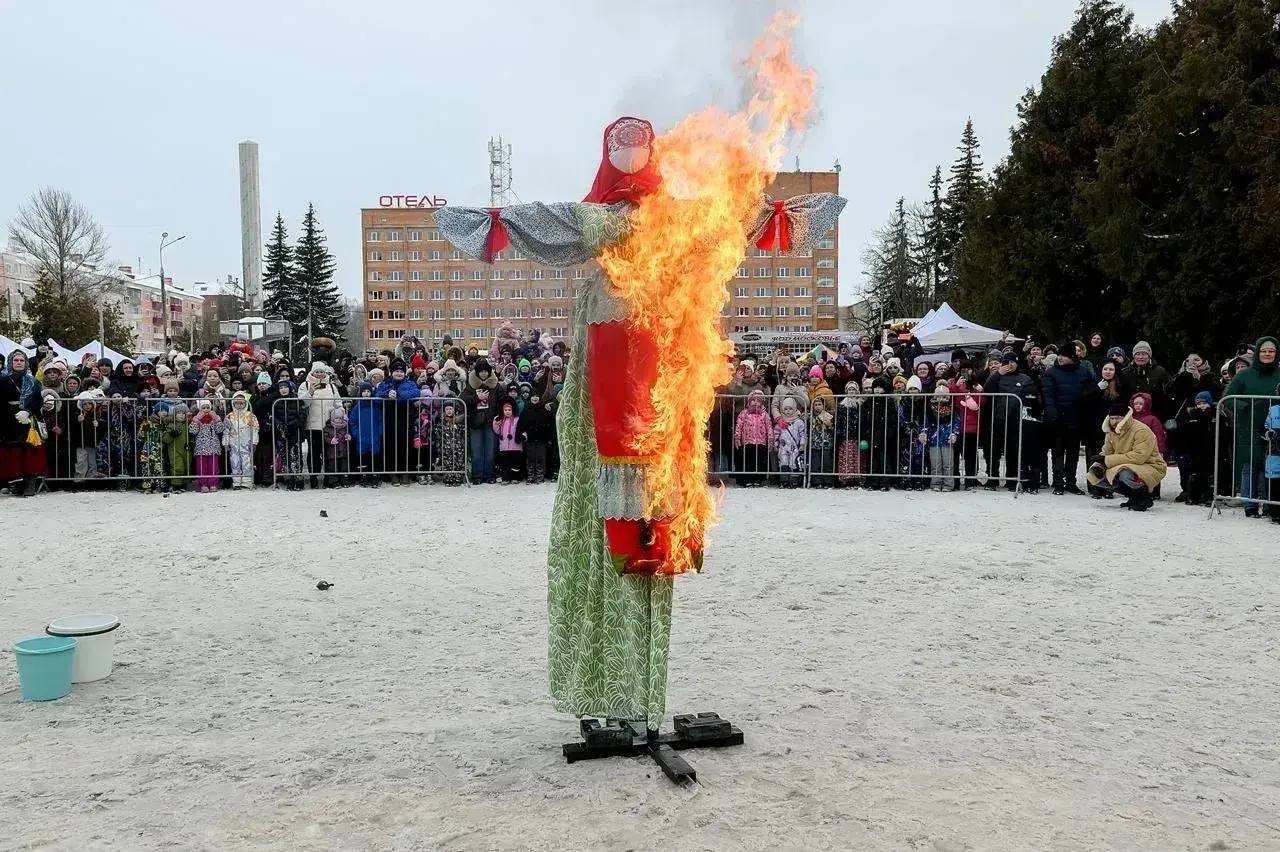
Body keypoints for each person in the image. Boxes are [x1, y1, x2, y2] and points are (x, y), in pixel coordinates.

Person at [1224, 336, 1278, 517]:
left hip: (1275, 428)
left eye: (1271, 351)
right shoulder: (1244, 375)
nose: (1267, 354)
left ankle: (1272, 505)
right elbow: (1228, 398)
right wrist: (1244, 407)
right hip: (1250, 425)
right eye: (1263, 351)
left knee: (1272, 466)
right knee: (1250, 466)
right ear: (1257, 353)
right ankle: (1250, 505)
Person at [1087, 403, 1168, 511]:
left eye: (1118, 418)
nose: (1115, 421)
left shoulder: (1140, 430)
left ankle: (1143, 497)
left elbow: (1139, 457)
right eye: (1112, 418)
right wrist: (1099, 465)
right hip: (1125, 464)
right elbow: (1107, 452)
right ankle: (1133, 496)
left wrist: (1106, 460)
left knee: (1124, 473)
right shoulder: (1111, 432)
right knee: (1094, 476)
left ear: (1125, 417)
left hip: (1150, 465)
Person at [982, 353, 1035, 491]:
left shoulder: (1025, 378)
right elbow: (987, 390)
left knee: (1013, 451)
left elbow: (1032, 396)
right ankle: (992, 479)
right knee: (994, 451)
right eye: (1006, 362)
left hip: (1017, 420)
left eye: (1012, 362)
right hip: (999, 418)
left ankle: (1012, 479)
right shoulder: (997, 377)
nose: (1009, 365)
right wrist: (997, 374)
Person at [1041, 343, 1088, 494]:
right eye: (1059, 355)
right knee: (1058, 452)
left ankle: (1071, 481)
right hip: (1058, 418)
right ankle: (1058, 482)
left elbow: (1088, 391)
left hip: (1076, 417)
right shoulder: (1051, 373)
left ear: (1072, 357)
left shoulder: (1083, 371)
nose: (1060, 357)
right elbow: (1048, 396)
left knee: (1073, 453)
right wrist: (1053, 415)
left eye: (1064, 355)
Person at [1175, 391, 1217, 506]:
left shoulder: (1215, 415)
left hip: (1212, 449)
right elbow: (1186, 433)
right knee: (1195, 473)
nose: (1201, 406)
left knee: (1210, 474)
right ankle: (1194, 495)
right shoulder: (1192, 416)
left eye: (1204, 403)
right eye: (1199, 404)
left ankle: (1208, 495)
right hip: (1196, 449)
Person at [463, 359, 499, 484]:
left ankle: (489, 475)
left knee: (490, 450)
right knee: (476, 450)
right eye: (481, 371)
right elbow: (462, 400)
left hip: (490, 421)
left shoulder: (495, 385)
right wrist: (476, 398)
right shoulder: (471, 385)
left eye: (486, 371)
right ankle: (477, 475)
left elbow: (502, 400)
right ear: (477, 373)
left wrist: (498, 416)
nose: (483, 373)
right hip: (475, 421)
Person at [733, 388, 772, 487]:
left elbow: (769, 427)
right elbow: (739, 426)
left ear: (762, 403)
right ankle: (747, 479)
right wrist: (737, 437)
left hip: (760, 442)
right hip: (747, 441)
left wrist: (770, 439)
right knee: (748, 461)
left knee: (759, 461)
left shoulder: (765, 414)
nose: (755, 403)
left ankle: (758, 479)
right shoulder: (744, 413)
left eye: (758, 401)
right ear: (749, 402)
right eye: (753, 400)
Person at [271, 379, 306, 491]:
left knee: (295, 455)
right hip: (283, 433)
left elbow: (302, 416)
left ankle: (298, 478)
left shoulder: (297, 400)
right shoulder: (276, 402)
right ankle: (290, 478)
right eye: (281, 388)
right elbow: (274, 416)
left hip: (295, 432)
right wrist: (280, 425)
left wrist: (291, 424)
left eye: (285, 387)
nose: (283, 390)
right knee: (286, 456)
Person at [349, 382, 384, 486]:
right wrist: (356, 433)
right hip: (361, 437)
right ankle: (364, 476)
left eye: (368, 391)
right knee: (363, 457)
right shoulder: (357, 407)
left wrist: (379, 433)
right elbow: (352, 422)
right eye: (364, 391)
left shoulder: (375, 406)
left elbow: (380, 421)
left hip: (374, 436)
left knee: (374, 457)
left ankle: (374, 475)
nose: (366, 393)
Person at [1124, 342, 1172, 417]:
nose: (1140, 357)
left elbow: (1168, 391)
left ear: (1149, 356)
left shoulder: (1160, 371)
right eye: (1137, 354)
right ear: (1133, 356)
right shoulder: (1126, 372)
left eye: (1144, 354)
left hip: (1155, 413)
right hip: (1130, 414)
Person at [223, 391, 258, 489]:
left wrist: (254, 441)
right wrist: (226, 443)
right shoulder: (229, 416)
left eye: (241, 403)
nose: (239, 405)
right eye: (236, 403)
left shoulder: (250, 416)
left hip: (246, 443)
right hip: (234, 443)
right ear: (233, 403)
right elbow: (226, 431)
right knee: (235, 462)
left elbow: (255, 429)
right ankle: (236, 481)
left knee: (247, 462)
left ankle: (247, 481)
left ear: (246, 403)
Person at [189, 399, 224, 493]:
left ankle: (213, 483)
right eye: (203, 408)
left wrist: (217, 419)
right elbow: (192, 431)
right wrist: (196, 420)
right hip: (201, 446)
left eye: (208, 407)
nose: (206, 410)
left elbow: (220, 430)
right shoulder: (197, 419)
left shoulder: (214, 419)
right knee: (202, 466)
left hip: (213, 446)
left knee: (213, 466)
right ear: (200, 409)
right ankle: (203, 484)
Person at [519, 394, 554, 485]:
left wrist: (549, 438)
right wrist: (522, 434)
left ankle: (540, 476)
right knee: (530, 457)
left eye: (536, 396)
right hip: (530, 438)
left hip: (541, 438)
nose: (535, 398)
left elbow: (549, 425)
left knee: (540, 457)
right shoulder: (526, 410)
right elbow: (521, 424)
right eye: (533, 396)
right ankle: (530, 476)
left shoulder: (544, 409)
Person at [775, 395, 807, 488]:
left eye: (790, 409)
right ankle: (784, 481)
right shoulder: (781, 422)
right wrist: (776, 443)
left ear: (794, 409)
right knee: (783, 462)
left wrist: (802, 443)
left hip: (795, 447)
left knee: (793, 463)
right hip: (783, 447)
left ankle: (793, 481)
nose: (788, 411)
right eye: (786, 409)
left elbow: (803, 433)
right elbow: (776, 432)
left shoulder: (799, 422)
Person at [807, 395, 836, 486]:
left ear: (824, 406)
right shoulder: (810, 416)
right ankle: (816, 481)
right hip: (814, 443)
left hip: (826, 443)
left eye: (820, 404)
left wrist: (829, 423)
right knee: (815, 464)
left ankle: (828, 481)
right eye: (815, 405)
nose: (817, 406)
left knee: (826, 463)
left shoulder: (828, 416)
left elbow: (832, 428)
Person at [161, 402, 192, 490]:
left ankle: (184, 484)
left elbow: (191, 435)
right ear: (174, 415)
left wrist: (191, 441)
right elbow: (165, 439)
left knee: (186, 466)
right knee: (177, 467)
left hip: (186, 449)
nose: (181, 415)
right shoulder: (171, 425)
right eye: (179, 413)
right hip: (174, 450)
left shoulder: (187, 425)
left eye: (183, 413)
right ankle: (176, 484)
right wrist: (172, 434)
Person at [322, 407, 353, 486]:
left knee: (344, 467)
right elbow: (325, 438)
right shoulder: (328, 428)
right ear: (332, 418)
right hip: (332, 452)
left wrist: (349, 437)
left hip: (343, 451)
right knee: (333, 467)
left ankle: (344, 481)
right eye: (336, 418)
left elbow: (348, 435)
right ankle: (334, 482)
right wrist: (330, 441)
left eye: (341, 418)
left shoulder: (345, 428)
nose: (339, 420)